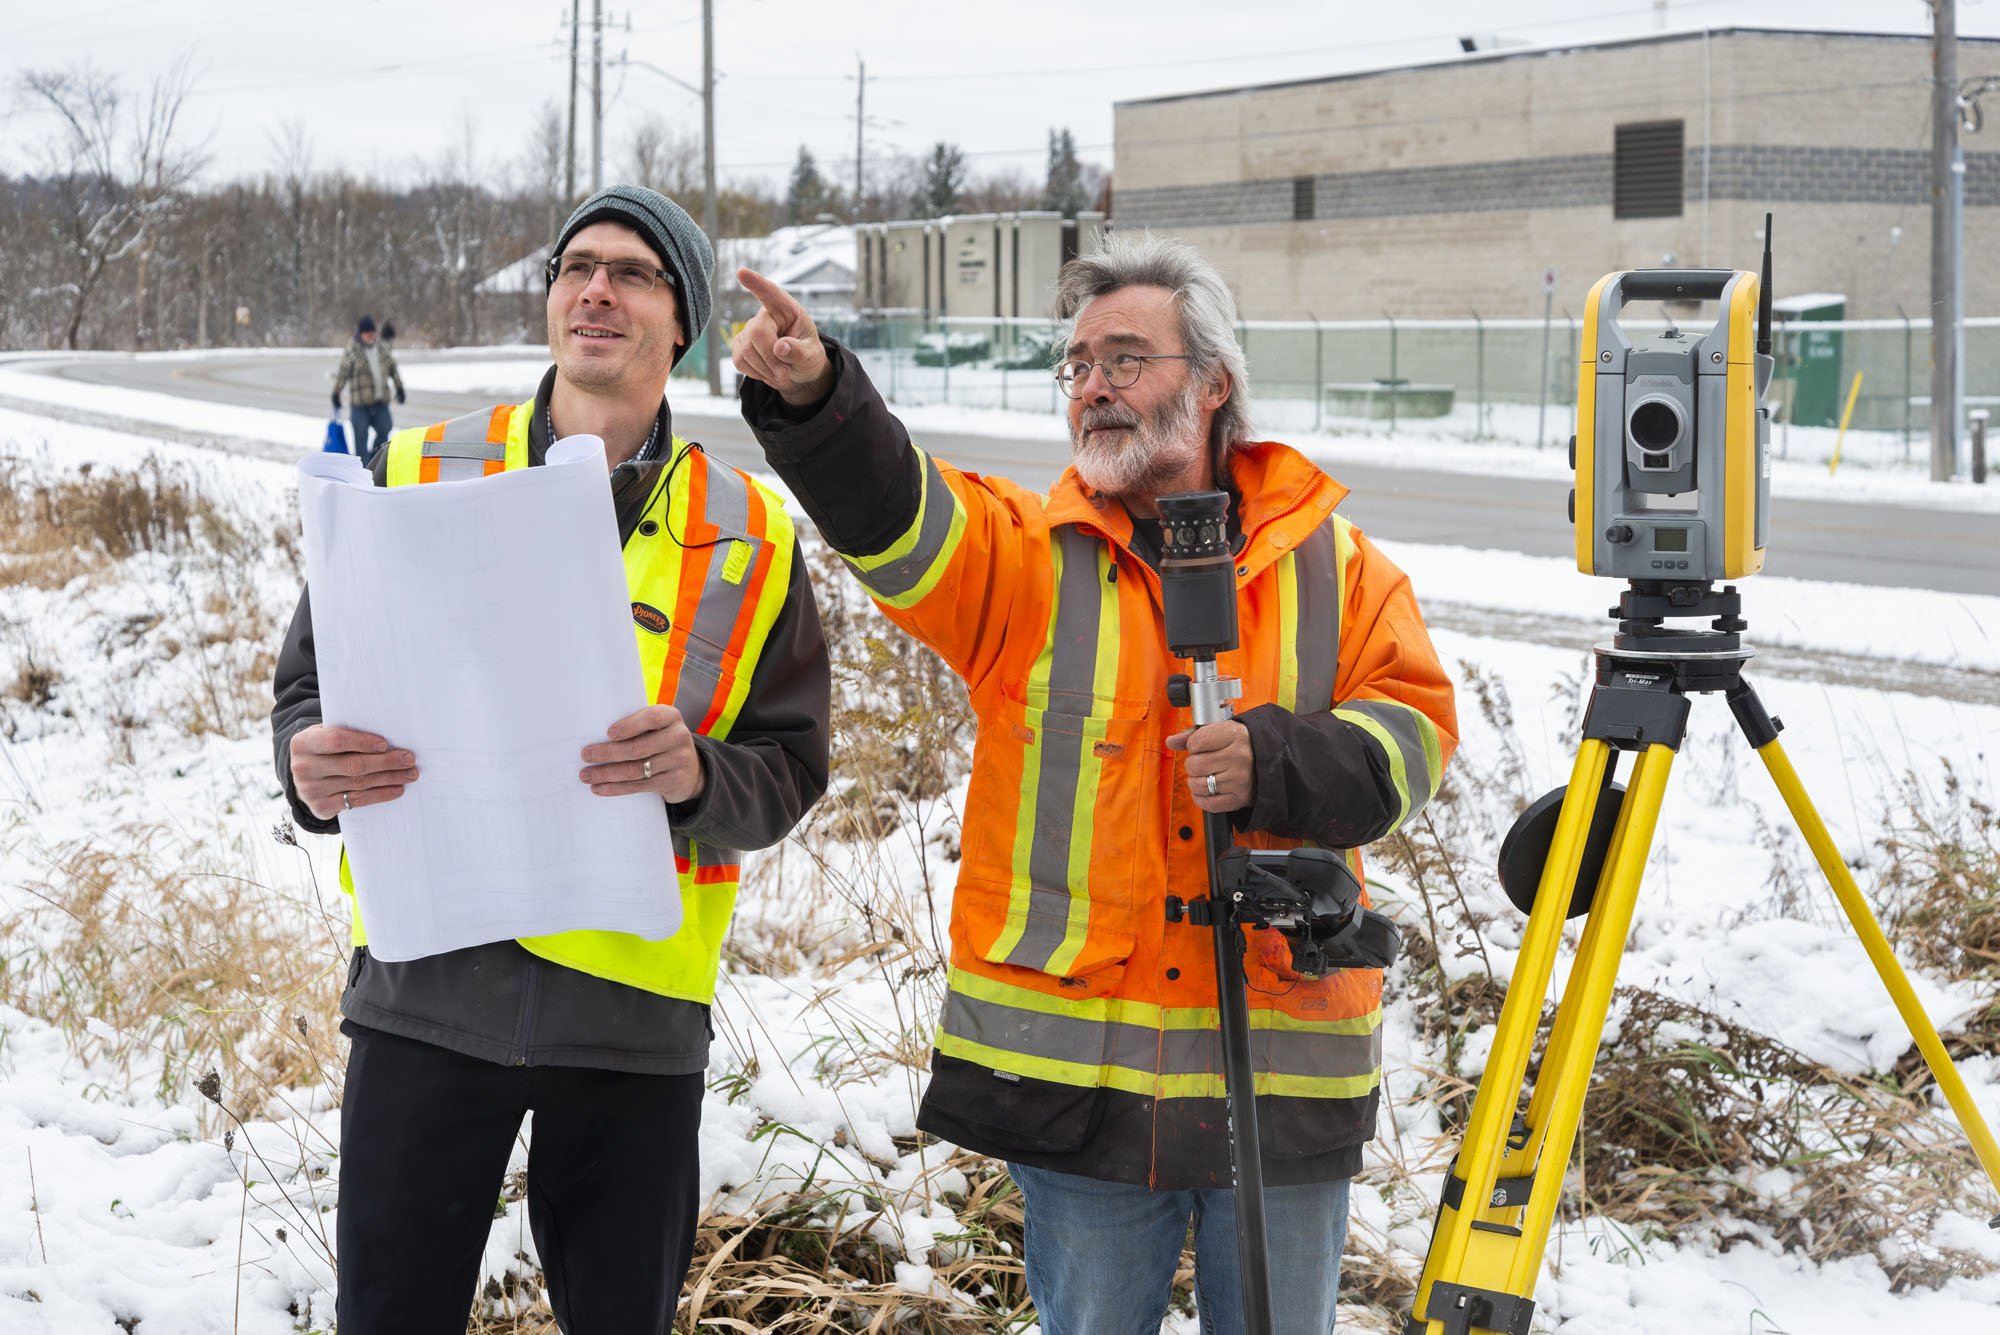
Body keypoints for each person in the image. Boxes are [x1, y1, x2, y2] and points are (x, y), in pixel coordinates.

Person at [731, 233, 1458, 1335]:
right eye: (1076, 366)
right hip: (1083, 1092)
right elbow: (898, 514)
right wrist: (820, 398)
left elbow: (1413, 735)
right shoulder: (1022, 561)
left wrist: (1277, 762)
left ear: (1213, 383)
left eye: (1126, 359)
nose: (1094, 389)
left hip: (1281, 1086)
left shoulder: (1340, 568)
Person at [273, 184, 832, 1334]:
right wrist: (306, 765)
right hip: (428, 987)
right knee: (386, 1315)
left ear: (678, 323)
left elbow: (791, 767)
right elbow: (308, 683)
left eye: (632, 273)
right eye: (575, 268)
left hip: (634, 1014)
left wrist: (697, 780)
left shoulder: (752, 532)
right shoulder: (420, 471)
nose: (594, 290)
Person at [331, 314, 405, 465]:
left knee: (385, 428)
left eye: (373, 332)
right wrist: (336, 393)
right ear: (360, 333)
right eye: (367, 333)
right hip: (360, 404)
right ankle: (362, 468)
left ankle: (375, 462)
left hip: (380, 402)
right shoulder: (353, 349)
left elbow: (392, 368)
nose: (371, 335)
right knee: (361, 435)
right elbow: (343, 373)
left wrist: (399, 388)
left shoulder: (382, 348)